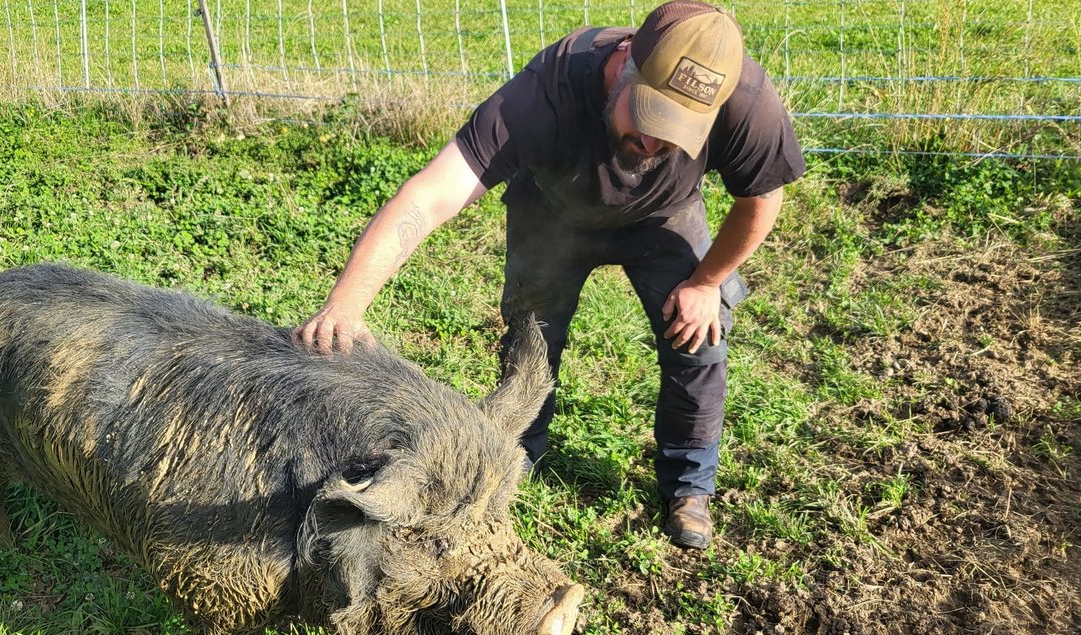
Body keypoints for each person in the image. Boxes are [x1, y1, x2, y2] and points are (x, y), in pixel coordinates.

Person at [295, 1, 806, 550]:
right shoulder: (544, 93)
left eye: (678, 131)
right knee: (532, 342)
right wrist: (347, 302)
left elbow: (760, 200)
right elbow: (430, 195)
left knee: (699, 340)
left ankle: (689, 486)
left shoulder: (746, 99)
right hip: (552, 213)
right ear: (626, 60)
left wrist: (706, 284)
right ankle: (520, 453)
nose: (655, 143)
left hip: (665, 216)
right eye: (650, 116)